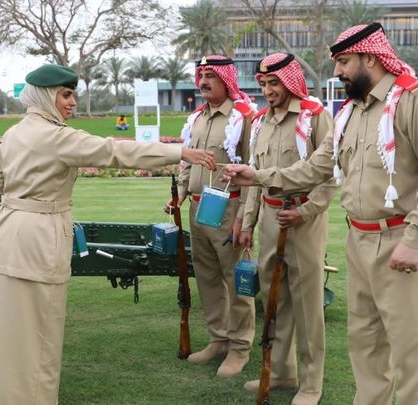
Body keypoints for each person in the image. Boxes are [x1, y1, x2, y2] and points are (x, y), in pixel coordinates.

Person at [0, 63, 216, 405]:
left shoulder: (13, 133)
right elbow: (116, 151)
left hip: (8, 233)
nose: (72, 102)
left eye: (73, 94)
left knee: (9, 329)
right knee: (40, 332)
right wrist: (179, 152)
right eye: (65, 94)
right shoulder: (56, 137)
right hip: (40, 237)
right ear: (46, 96)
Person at [223, 23, 418, 405]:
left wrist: (413, 241)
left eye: (344, 62)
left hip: (401, 243)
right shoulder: (349, 113)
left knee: (410, 351)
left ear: (371, 57)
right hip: (357, 239)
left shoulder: (409, 102)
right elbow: (314, 169)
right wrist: (258, 176)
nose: (337, 72)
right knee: (365, 343)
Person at [240, 53, 336, 405]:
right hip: (269, 217)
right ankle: (281, 372)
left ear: (290, 81)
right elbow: (255, 176)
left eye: (274, 83)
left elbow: (330, 174)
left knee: (308, 305)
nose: (267, 90)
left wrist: (307, 211)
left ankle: (311, 384)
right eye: (263, 84)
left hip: (302, 221)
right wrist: (247, 222)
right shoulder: (261, 121)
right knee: (274, 298)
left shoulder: (315, 117)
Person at [166, 55, 256, 378]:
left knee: (236, 282)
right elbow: (187, 163)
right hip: (198, 209)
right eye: (201, 75)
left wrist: (243, 218)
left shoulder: (242, 117)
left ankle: (239, 347)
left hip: (229, 208)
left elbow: (252, 171)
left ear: (226, 79)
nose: (203, 82)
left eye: (210, 76)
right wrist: (178, 195)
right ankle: (218, 339)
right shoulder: (196, 119)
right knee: (206, 277)